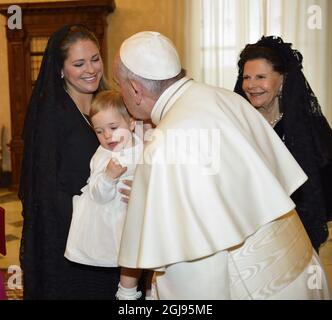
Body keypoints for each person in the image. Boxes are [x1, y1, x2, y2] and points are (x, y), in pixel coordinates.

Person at [113, 31, 331, 299]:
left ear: (135, 89)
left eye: (119, 85)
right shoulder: (224, 98)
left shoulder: (165, 144)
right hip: (302, 271)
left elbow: (194, 275)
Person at [19, 25, 120, 299]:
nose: (91, 69)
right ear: (60, 69)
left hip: (114, 232)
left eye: (95, 59)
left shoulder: (109, 103)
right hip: (72, 240)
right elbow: (44, 191)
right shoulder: (51, 116)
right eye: (79, 63)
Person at [234, 36, 332, 253]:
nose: (251, 85)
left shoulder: (307, 129)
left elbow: (318, 189)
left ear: (282, 80)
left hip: (299, 235)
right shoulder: (239, 124)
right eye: (246, 77)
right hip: (250, 234)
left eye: (261, 77)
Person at [64, 90, 145, 300]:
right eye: (99, 131)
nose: (107, 136)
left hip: (135, 214)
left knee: (139, 250)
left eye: (113, 127)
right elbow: (98, 194)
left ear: (131, 123)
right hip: (109, 216)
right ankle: (125, 292)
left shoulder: (143, 148)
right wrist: (109, 177)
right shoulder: (103, 156)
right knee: (122, 253)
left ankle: (142, 290)